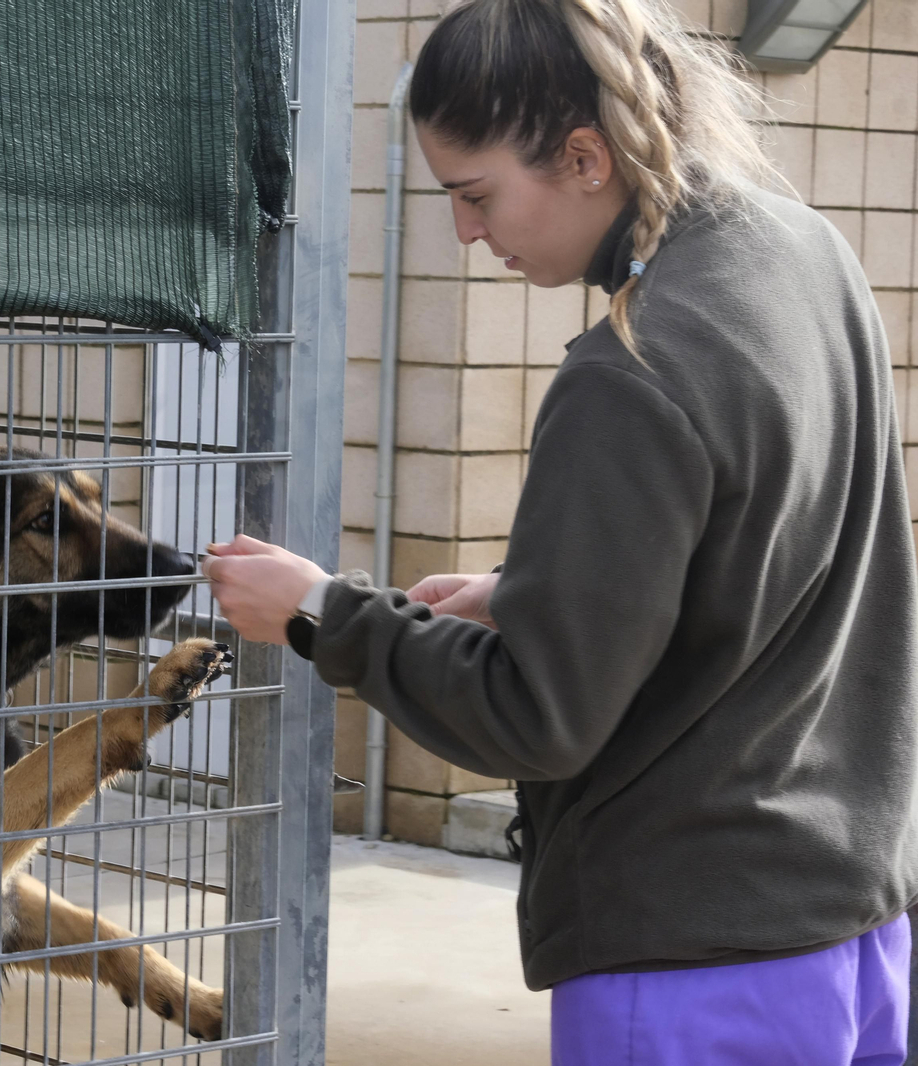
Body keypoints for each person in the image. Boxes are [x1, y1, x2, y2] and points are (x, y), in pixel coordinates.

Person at [201, 0, 918, 1062]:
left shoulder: (631, 371)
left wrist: (318, 611)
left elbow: (535, 716)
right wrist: (538, 588)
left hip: (689, 959)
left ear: (584, 157)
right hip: (857, 919)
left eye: (476, 195)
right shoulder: (805, 250)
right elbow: (775, 538)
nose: (465, 232)